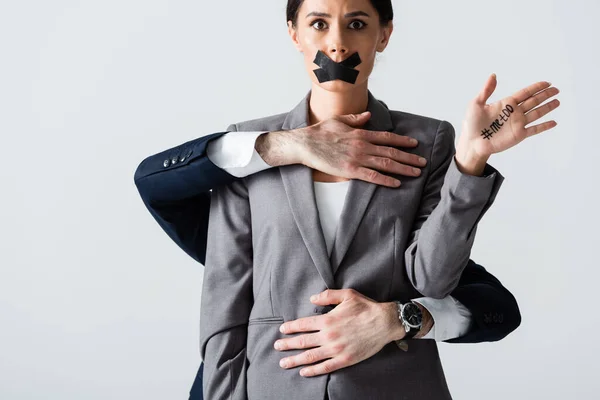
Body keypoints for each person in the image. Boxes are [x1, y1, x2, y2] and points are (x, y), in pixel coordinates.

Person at [133, 0, 559, 398]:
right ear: (294, 34)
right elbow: (225, 299)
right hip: (272, 384)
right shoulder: (250, 148)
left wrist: (471, 162)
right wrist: (286, 146)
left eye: (357, 24)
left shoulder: (427, 141)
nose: (337, 42)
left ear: (384, 34)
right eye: (318, 23)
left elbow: (432, 280)